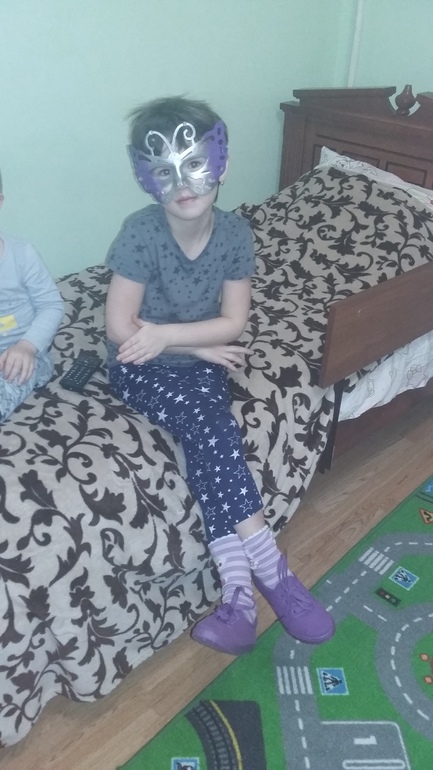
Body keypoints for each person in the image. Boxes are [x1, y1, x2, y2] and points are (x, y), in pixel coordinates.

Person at [105, 96, 335, 656]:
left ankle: (238, 599)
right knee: (213, 427)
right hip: (139, 363)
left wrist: (179, 339)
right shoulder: (140, 232)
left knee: (212, 436)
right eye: (164, 171)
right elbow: (118, 327)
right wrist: (183, 342)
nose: (183, 184)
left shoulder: (235, 235)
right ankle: (273, 572)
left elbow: (234, 322)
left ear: (222, 166)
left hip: (195, 356)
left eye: (195, 165)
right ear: (146, 178)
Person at [0, 170, 64, 424]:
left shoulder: (22, 253)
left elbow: (51, 305)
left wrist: (27, 346)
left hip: (27, 351)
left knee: (13, 377)